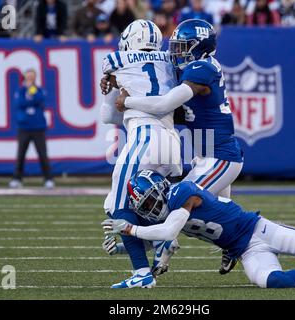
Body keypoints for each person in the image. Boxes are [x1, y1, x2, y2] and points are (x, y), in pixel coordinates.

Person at [115, 20, 244, 274]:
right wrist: (112, 79)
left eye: (182, 46)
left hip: (219, 156)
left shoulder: (201, 68)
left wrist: (129, 101)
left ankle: (162, 249)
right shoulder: (196, 69)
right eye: (174, 46)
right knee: (216, 211)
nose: (176, 52)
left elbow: (164, 104)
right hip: (206, 155)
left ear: (200, 47)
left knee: (179, 204)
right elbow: (178, 112)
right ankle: (232, 243)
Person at [103, 169, 295, 288]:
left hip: (260, 230)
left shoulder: (182, 192)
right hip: (244, 250)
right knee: (271, 282)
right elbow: (159, 240)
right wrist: (123, 248)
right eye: (144, 204)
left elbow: (167, 233)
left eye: (150, 198)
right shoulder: (166, 214)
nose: (149, 207)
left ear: (161, 187)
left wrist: (130, 230)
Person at [99, 19, 182, 289]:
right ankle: (160, 239)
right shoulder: (171, 59)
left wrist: (111, 87)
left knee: (118, 205)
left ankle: (142, 273)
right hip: (172, 142)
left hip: (144, 136)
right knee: (154, 204)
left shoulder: (116, 59)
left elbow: (107, 115)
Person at [10, 69, 54, 189]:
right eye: (28, 77)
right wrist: (29, 98)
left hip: (38, 127)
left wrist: (31, 90)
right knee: (21, 154)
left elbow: (39, 100)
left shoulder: (38, 89)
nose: (29, 79)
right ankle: (17, 178)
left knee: (42, 154)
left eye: (32, 77)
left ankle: (48, 178)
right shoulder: (20, 90)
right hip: (24, 127)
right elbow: (19, 103)